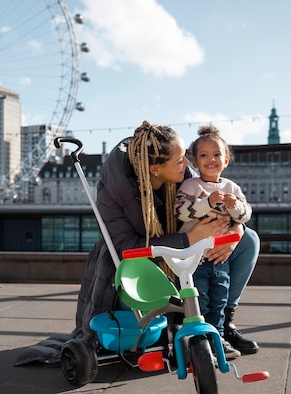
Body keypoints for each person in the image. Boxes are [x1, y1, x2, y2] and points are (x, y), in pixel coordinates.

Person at [72, 121, 260, 357]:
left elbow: (221, 209)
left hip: (184, 259)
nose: (188, 164)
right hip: (134, 272)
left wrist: (235, 233)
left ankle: (222, 325)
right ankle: (182, 324)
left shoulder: (185, 178)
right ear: (155, 168)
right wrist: (190, 237)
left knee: (249, 239)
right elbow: (125, 247)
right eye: (181, 160)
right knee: (142, 327)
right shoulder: (116, 189)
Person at [175, 124, 255, 358]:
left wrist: (235, 207)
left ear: (227, 160)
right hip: (195, 258)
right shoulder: (191, 186)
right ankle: (200, 342)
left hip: (220, 257)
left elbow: (245, 214)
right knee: (201, 300)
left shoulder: (232, 187)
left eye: (217, 154)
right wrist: (207, 203)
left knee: (219, 299)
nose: (211, 160)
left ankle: (218, 338)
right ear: (194, 161)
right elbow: (181, 212)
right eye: (204, 155)